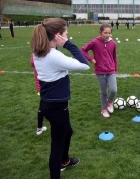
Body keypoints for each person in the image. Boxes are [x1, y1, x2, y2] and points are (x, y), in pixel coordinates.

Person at [31, 18, 90, 179]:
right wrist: (68, 44)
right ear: (58, 36)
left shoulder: (39, 52)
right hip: (56, 107)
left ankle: (64, 160)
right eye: (65, 33)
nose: (67, 35)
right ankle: (57, 170)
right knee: (57, 143)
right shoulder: (53, 56)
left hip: (49, 104)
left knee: (67, 131)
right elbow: (84, 65)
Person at [81, 24, 118, 118]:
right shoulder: (94, 42)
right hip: (100, 70)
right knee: (104, 92)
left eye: (109, 33)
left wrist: (115, 68)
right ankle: (104, 109)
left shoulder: (113, 43)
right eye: (105, 33)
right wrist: (91, 59)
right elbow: (83, 50)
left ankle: (109, 102)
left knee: (114, 90)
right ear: (100, 32)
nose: (107, 35)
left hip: (111, 70)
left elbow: (114, 57)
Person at [30, 54, 47, 135]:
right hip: (46, 86)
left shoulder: (34, 55)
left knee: (44, 105)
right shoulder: (45, 55)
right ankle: (39, 129)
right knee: (43, 107)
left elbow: (32, 63)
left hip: (40, 86)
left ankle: (39, 128)